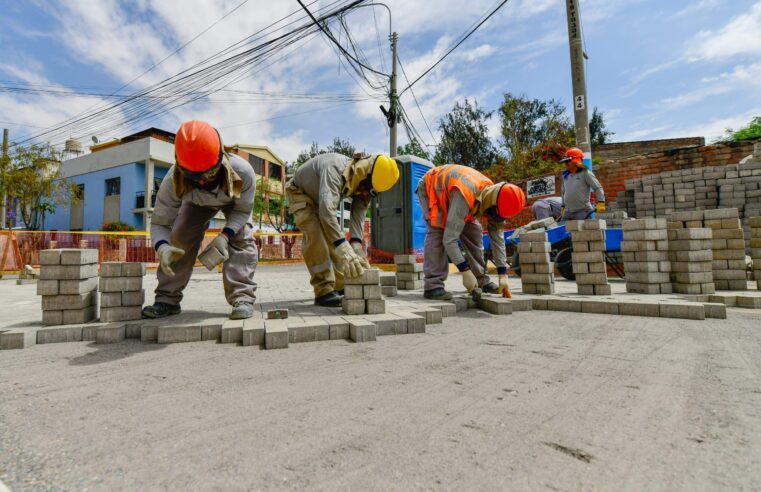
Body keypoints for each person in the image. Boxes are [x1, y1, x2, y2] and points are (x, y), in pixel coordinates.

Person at [142, 120, 258, 320]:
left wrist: (225, 235)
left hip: (232, 200)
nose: (202, 181)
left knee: (242, 237)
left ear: (221, 158)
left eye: (209, 173)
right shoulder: (172, 181)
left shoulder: (243, 172)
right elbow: (160, 223)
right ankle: (167, 300)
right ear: (181, 167)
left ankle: (242, 298)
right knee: (180, 239)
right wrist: (162, 247)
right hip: (194, 203)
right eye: (194, 176)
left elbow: (242, 212)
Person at [286, 152, 399, 307]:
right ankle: (323, 290)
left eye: (371, 192)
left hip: (322, 200)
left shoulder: (365, 186)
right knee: (316, 236)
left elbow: (357, 218)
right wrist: (345, 250)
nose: (365, 193)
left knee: (336, 239)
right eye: (366, 188)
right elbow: (327, 212)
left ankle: (340, 286)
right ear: (365, 173)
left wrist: (357, 249)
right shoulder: (334, 168)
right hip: (300, 192)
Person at [417, 164, 526, 301]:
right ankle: (433, 286)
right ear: (491, 204)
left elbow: (497, 238)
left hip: (456, 194)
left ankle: (481, 280)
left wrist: (503, 274)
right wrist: (465, 271)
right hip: (432, 188)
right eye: (491, 214)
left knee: (474, 232)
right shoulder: (466, 194)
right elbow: (449, 239)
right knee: (438, 231)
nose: (491, 218)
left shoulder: (493, 196)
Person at [561, 147, 605, 220]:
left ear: (575, 161)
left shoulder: (585, 173)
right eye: (565, 162)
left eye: (567, 162)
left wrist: (601, 202)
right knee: (566, 231)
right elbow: (563, 192)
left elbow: (597, 187)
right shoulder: (565, 175)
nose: (565, 164)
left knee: (585, 231)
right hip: (568, 212)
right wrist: (563, 206)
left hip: (583, 212)